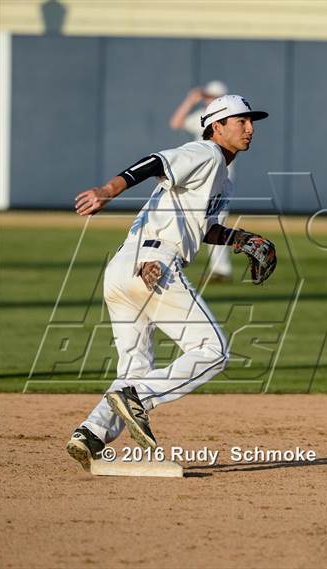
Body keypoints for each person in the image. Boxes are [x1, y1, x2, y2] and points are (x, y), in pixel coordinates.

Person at [66, 95, 270, 471]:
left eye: (250, 121)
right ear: (216, 127)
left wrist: (245, 240)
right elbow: (155, 161)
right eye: (240, 121)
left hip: (123, 269)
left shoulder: (220, 178)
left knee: (134, 368)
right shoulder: (205, 153)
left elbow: (204, 229)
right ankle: (138, 397)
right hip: (154, 264)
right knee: (213, 350)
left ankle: (91, 432)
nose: (249, 128)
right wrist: (108, 191)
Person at [170, 81, 233, 283]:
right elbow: (176, 123)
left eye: (213, 96)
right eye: (207, 96)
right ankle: (177, 261)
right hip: (199, 179)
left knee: (215, 221)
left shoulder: (227, 121)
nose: (209, 99)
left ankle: (221, 269)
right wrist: (190, 100)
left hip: (220, 178)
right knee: (194, 220)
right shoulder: (202, 118)